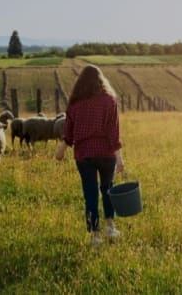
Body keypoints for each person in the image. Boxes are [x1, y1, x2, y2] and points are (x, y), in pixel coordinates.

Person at [55, 64, 125, 245]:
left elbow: (68, 133)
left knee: (90, 193)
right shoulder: (110, 100)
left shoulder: (74, 103)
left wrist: (61, 150)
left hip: (84, 155)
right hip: (106, 153)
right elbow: (113, 132)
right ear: (101, 80)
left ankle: (95, 235)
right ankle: (110, 227)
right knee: (108, 189)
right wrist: (119, 159)